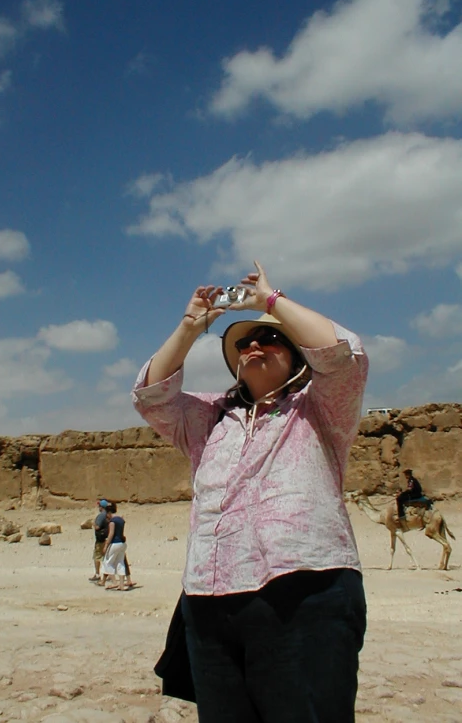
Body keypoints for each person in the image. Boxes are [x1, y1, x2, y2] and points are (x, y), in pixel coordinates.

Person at [132, 260, 369, 723]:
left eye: (270, 338)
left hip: (305, 589)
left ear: (298, 356)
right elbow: (151, 395)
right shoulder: (207, 417)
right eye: (244, 342)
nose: (253, 344)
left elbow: (343, 353)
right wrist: (189, 327)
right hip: (208, 598)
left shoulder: (322, 408)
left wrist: (270, 302)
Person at [100, 503, 128, 591]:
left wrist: (105, 546)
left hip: (114, 543)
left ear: (108, 512)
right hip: (122, 544)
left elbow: (111, 534)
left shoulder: (112, 521)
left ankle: (114, 582)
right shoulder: (121, 519)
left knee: (107, 562)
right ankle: (122, 585)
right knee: (120, 563)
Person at [89, 499, 110, 583]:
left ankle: (97, 574)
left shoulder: (101, 516)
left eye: (99, 506)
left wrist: (93, 523)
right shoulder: (107, 515)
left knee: (97, 557)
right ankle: (107, 573)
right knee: (105, 557)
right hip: (106, 539)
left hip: (100, 540)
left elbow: (97, 527)